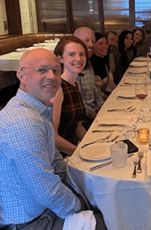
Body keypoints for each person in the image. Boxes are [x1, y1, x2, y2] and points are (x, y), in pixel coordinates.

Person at [0, 48, 87, 229]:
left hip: (43, 209)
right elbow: (48, 191)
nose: (52, 76)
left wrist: (83, 182)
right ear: (21, 75)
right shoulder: (24, 123)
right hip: (30, 222)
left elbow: (56, 163)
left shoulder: (36, 109)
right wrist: (83, 205)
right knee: (109, 220)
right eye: (42, 70)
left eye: (56, 70)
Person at [52, 36, 87, 156]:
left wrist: (92, 142)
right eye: (72, 54)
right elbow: (53, 137)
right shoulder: (58, 89)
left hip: (73, 148)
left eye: (82, 54)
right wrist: (79, 153)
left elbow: (76, 124)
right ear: (60, 59)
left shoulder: (76, 85)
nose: (78, 59)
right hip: (60, 156)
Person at [73, 27, 105, 129]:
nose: (91, 44)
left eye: (93, 41)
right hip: (83, 123)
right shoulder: (72, 67)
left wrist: (105, 108)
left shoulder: (87, 63)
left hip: (94, 115)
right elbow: (79, 104)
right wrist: (96, 116)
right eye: (86, 41)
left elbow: (94, 92)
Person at [90, 32, 115, 98]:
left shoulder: (105, 60)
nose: (104, 46)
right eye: (100, 44)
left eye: (106, 43)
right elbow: (95, 92)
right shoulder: (90, 64)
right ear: (93, 46)